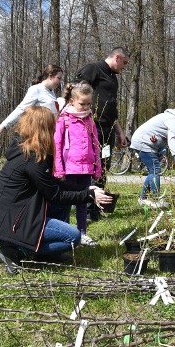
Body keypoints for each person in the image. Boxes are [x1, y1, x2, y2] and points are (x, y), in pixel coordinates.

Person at [0, 106, 112, 275]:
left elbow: (54, 184)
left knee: (63, 206)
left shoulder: (24, 149)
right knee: (73, 237)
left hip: (4, 220)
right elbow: (55, 194)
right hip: (9, 227)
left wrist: (86, 189)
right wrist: (89, 195)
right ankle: (16, 251)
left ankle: (46, 252)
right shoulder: (32, 159)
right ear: (45, 128)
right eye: (52, 126)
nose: (55, 129)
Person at [75, 47, 130, 221]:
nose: (125, 67)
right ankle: (87, 208)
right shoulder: (93, 69)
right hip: (92, 128)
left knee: (102, 167)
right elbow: (75, 94)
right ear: (117, 57)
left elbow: (112, 111)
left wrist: (120, 133)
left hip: (108, 130)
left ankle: (97, 209)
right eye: (125, 63)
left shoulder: (113, 78)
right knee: (90, 168)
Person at [51, 82, 102, 247]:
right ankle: (65, 233)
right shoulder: (63, 120)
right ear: (72, 101)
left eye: (88, 103)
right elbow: (57, 145)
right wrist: (58, 169)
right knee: (65, 202)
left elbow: (96, 144)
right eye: (82, 104)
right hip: (68, 169)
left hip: (86, 168)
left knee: (83, 200)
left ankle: (82, 233)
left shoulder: (90, 120)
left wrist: (97, 167)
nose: (85, 107)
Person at [130, 101, 175, 208]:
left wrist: (160, 152)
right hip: (143, 142)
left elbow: (162, 137)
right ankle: (156, 200)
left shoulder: (172, 118)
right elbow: (171, 139)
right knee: (155, 170)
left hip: (144, 143)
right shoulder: (173, 120)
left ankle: (143, 198)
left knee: (153, 170)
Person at [0, 64, 63, 135]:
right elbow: (21, 109)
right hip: (39, 134)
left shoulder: (51, 92)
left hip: (50, 133)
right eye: (58, 78)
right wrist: (3, 125)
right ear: (50, 76)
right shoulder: (36, 89)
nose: (60, 82)